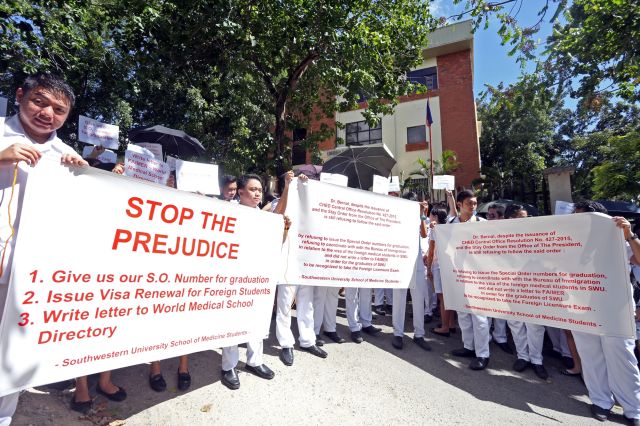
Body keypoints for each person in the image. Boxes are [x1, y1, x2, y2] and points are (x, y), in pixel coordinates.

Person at [0, 73, 93, 422]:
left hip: (27, 273)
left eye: (59, 109)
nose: (47, 113)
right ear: (21, 95)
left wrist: (83, 180)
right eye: (40, 101)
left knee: (11, 356)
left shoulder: (66, 155)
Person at [572, 202, 640, 424]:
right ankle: (601, 401)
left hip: (615, 308)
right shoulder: (570, 240)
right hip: (582, 307)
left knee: (621, 356)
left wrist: (629, 234)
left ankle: (634, 409)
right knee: (591, 356)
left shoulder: (619, 235)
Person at [220, 174, 277, 389]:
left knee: (256, 319)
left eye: (260, 190)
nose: (257, 194)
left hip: (257, 276)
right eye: (253, 189)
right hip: (234, 277)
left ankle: (255, 361)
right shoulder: (228, 211)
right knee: (232, 322)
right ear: (241, 192)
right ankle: (229, 366)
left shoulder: (266, 217)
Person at [274, 171, 327, 365]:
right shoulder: (279, 202)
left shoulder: (308, 206)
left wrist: (307, 187)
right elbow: (278, 214)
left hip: (306, 260)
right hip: (288, 259)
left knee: (307, 304)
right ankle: (286, 344)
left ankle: (307, 340)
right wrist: (289, 186)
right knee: (285, 304)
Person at [502, 204, 549, 380]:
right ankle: (523, 357)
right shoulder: (498, 235)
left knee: (535, 325)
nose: (526, 220)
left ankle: (537, 360)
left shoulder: (535, 234)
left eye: (526, 217)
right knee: (515, 323)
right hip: (508, 285)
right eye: (522, 217)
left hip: (532, 285)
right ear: (510, 219)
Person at [447, 190, 491, 370]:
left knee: (480, 317)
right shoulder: (451, 223)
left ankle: (483, 354)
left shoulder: (483, 223)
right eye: (469, 204)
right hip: (458, 275)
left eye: (474, 203)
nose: (473, 207)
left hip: (478, 277)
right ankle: (468, 346)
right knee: (463, 314)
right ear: (459, 205)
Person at [391, 193, 431, 351]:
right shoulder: (396, 216)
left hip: (417, 262)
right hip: (400, 261)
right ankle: (398, 334)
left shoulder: (420, 217)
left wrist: (421, 215)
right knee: (399, 298)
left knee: (418, 298)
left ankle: (419, 334)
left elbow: (424, 234)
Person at [427, 206, 456, 337]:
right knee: (448, 296)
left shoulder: (435, 230)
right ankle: (450, 324)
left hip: (438, 266)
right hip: (450, 266)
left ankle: (444, 327)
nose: (430, 218)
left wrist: (428, 268)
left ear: (436, 217)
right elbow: (454, 213)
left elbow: (431, 251)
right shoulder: (449, 229)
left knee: (442, 297)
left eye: (432, 215)